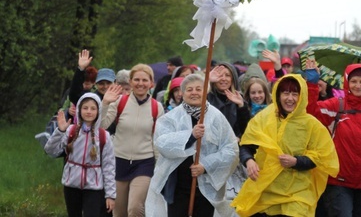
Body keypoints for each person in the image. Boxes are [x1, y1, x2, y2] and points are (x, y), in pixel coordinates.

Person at [231, 74, 339, 216]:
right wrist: (249, 161)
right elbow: (246, 145)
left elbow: (322, 157)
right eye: (286, 93)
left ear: (302, 97)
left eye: (295, 94)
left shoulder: (312, 125)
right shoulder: (264, 118)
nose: (290, 98)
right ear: (278, 94)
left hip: (298, 193)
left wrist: (296, 161)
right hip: (266, 188)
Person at [145, 74, 239, 217]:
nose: (194, 92)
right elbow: (161, 142)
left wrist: (205, 165)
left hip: (206, 187)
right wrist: (190, 135)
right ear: (182, 93)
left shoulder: (216, 117)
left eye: (198, 89)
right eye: (189, 89)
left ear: (205, 92)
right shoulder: (171, 117)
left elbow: (231, 149)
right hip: (178, 187)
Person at [305, 60, 361, 217]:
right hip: (339, 182)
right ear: (346, 82)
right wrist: (311, 83)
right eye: (353, 81)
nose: (358, 86)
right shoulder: (337, 106)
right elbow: (310, 113)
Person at [101, 63, 165, 217]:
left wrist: (160, 168)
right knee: (119, 212)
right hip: (118, 161)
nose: (140, 84)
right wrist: (105, 103)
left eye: (145, 80)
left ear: (151, 83)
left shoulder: (157, 107)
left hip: (144, 163)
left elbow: (157, 139)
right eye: (136, 80)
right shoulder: (119, 102)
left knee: (135, 209)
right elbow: (102, 125)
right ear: (130, 82)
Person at [44, 92, 116, 217]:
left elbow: (109, 167)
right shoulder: (70, 131)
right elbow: (50, 150)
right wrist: (60, 131)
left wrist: (110, 195)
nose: (89, 111)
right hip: (71, 185)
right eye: (85, 108)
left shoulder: (104, 136)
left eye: (93, 108)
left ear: (98, 111)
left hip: (94, 187)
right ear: (79, 110)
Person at [208, 62, 250, 139]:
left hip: (235, 144)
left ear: (233, 79)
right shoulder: (207, 97)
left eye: (227, 75)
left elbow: (246, 129)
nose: (223, 78)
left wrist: (241, 106)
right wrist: (207, 81)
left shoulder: (239, 98)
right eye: (220, 75)